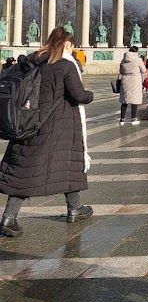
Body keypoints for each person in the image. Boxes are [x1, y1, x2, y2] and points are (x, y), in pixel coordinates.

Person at [0, 27, 94, 237]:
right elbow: (78, 94)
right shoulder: (65, 64)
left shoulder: (36, 60)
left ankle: (11, 216)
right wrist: (90, 95)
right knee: (66, 162)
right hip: (59, 125)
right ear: (67, 44)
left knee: (24, 168)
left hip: (29, 121)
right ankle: (72, 209)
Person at [118, 45, 145, 126]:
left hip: (125, 81)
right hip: (135, 81)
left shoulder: (123, 60)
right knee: (134, 100)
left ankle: (122, 119)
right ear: (136, 52)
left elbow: (121, 71)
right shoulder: (138, 60)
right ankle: (133, 118)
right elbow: (143, 70)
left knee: (124, 101)